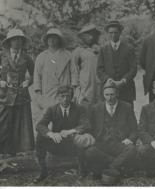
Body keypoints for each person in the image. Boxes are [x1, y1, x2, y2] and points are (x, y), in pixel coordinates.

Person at [34, 85, 94, 183]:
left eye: (68, 96)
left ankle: (82, 169)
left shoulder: (79, 108)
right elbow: (40, 125)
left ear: (72, 97)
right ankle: (43, 171)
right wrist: (51, 134)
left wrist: (71, 131)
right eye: (62, 96)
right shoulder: (52, 109)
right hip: (57, 143)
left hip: (73, 145)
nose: (65, 99)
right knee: (41, 136)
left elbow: (86, 125)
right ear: (58, 97)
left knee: (83, 137)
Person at [84, 82, 137, 183]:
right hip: (103, 144)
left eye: (112, 94)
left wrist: (129, 139)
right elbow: (90, 128)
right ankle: (117, 166)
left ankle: (108, 168)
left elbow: (135, 130)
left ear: (117, 94)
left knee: (132, 149)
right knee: (89, 152)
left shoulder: (127, 107)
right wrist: (92, 138)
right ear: (103, 95)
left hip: (120, 144)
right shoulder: (96, 108)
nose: (109, 98)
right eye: (107, 95)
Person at [0, 28, 35, 168]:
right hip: (5, 95)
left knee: (18, 126)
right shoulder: (2, 56)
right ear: (9, 42)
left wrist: (28, 82)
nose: (17, 42)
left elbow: (34, 74)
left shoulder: (27, 57)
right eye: (14, 40)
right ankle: (3, 154)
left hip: (21, 96)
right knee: (4, 124)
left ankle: (13, 156)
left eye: (20, 39)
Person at [34, 28, 77, 110]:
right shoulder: (41, 57)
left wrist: (73, 91)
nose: (51, 40)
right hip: (48, 93)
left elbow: (74, 73)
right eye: (49, 38)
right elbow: (37, 77)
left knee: (64, 117)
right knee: (50, 116)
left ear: (59, 40)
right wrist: (39, 95)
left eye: (54, 37)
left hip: (64, 92)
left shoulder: (67, 55)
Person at [97, 20, 137, 106]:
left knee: (127, 114)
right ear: (107, 33)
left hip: (126, 89)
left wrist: (123, 80)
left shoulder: (129, 48)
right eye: (111, 33)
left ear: (120, 33)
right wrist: (108, 79)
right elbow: (99, 69)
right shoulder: (103, 49)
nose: (113, 35)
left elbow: (133, 68)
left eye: (116, 32)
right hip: (109, 89)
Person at [72, 24, 101, 107]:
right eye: (87, 35)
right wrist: (76, 90)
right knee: (85, 109)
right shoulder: (78, 51)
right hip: (85, 86)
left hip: (98, 85)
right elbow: (74, 71)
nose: (91, 37)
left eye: (93, 35)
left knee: (98, 108)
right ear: (83, 37)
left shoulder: (100, 50)